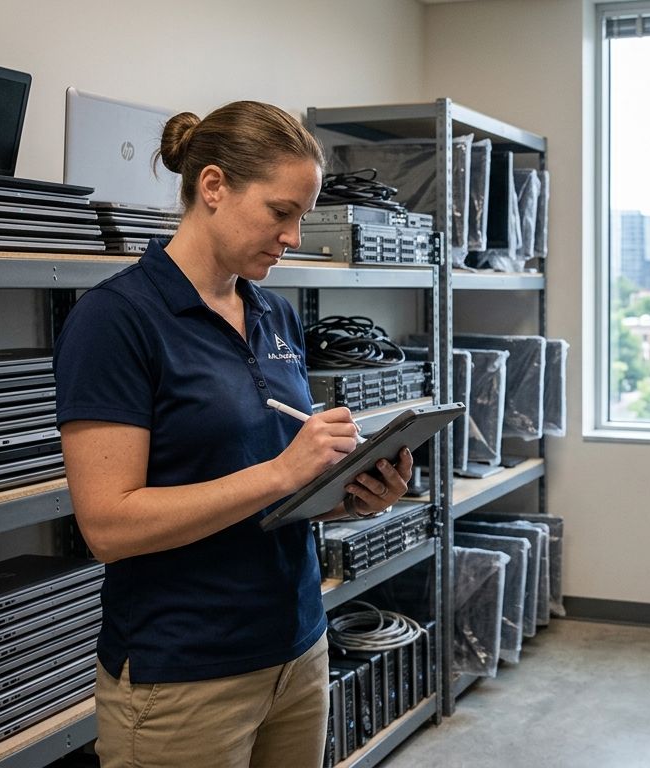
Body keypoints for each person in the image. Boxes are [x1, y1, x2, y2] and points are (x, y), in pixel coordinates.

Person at [54, 100, 412, 768]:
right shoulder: (116, 322)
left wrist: (351, 494)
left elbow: (270, 497)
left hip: (297, 647)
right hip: (186, 674)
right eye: (281, 212)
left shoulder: (273, 315)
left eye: (301, 216)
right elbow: (108, 523)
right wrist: (283, 471)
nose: (294, 236)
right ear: (213, 187)